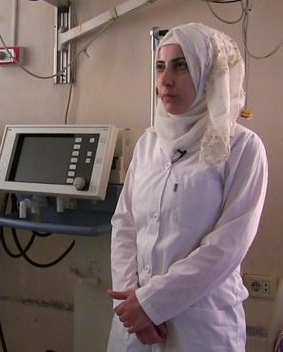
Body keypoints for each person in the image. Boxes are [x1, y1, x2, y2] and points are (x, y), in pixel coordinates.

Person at [106, 22, 268, 351]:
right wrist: (131, 302)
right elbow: (125, 225)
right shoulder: (148, 143)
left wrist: (152, 304)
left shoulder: (242, 148)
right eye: (160, 67)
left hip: (200, 327)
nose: (165, 80)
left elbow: (226, 247)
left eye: (181, 66)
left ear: (209, 73)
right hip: (135, 324)